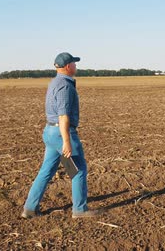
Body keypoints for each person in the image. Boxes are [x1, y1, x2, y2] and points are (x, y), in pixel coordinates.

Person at [22, 52, 100, 219]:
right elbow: (63, 115)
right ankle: (80, 210)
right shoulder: (65, 85)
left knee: (46, 170)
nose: (76, 66)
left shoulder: (54, 82)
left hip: (49, 132)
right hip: (61, 133)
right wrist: (66, 141)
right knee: (78, 170)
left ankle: (29, 208)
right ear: (67, 66)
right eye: (74, 63)